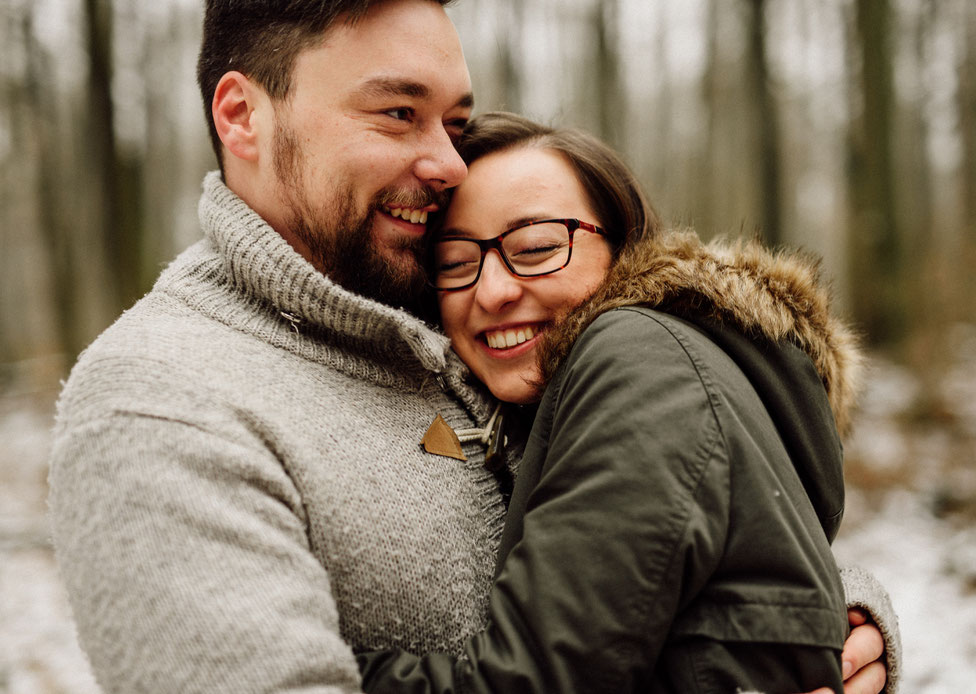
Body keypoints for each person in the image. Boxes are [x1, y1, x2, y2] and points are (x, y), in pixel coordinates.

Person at [47, 2, 895, 692]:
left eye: (453, 122)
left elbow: (654, 522)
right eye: (398, 113)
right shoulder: (158, 400)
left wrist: (832, 622)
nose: (448, 163)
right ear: (242, 116)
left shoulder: (449, 321)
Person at [355, 112, 900, 693]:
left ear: (624, 247)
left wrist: (277, 665)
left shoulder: (640, 359)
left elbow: (532, 685)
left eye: (537, 247)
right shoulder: (655, 370)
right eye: (456, 264)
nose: (492, 291)